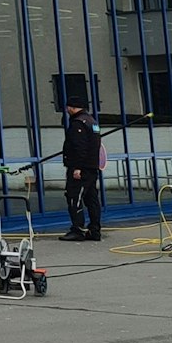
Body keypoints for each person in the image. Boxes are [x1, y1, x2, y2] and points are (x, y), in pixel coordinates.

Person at [60, 95, 103, 242]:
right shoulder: (91, 121)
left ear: (71, 107)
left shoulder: (78, 123)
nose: (66, 110)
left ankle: (77, 230)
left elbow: (80, 147)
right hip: (91, 167)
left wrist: (77, 167)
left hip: (81, 169)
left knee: (74, 197)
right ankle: (94, 229)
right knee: (91, 199)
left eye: (67, 107)